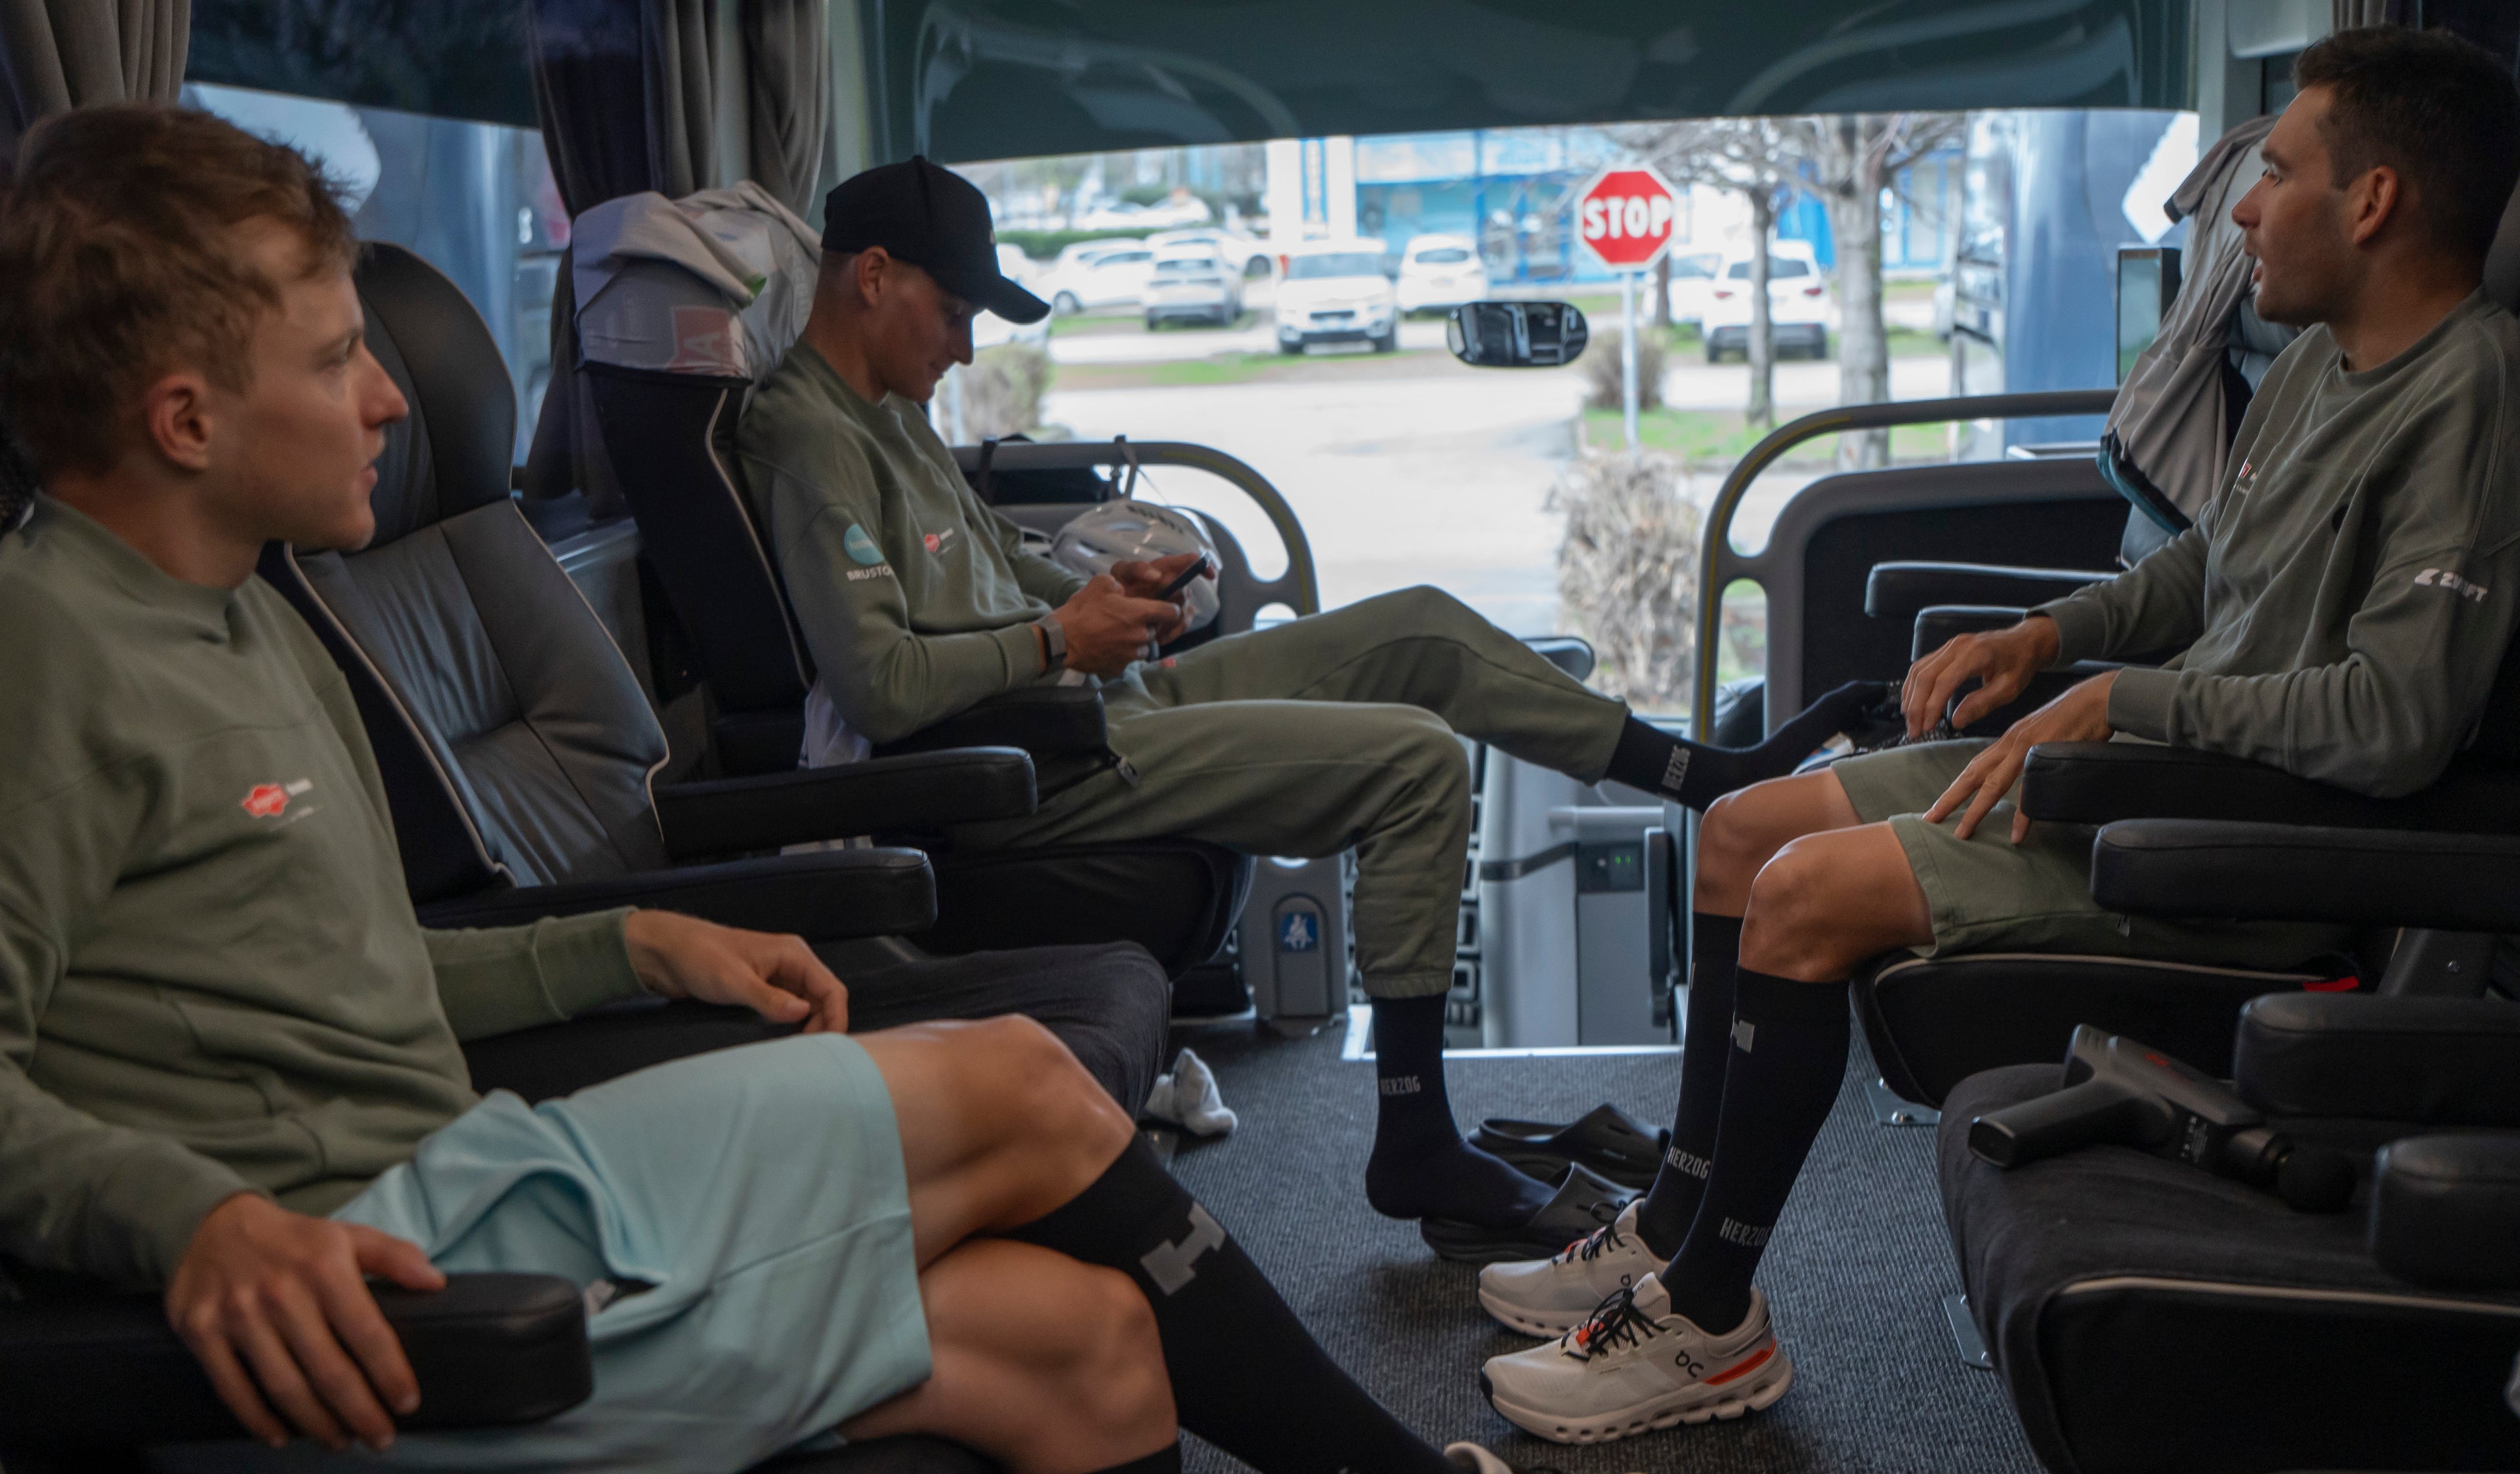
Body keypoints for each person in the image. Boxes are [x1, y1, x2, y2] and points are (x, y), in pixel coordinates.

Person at [0, 106, 1683, 1474]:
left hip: (471, 1212)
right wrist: (195, 1223)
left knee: (1082, 1348)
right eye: (335, 360)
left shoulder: (247, 618)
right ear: (183, 418)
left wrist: (625, 937)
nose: (391, 396)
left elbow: (361, 982)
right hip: (378, 1353)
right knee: (1024, 1085)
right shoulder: (46, 655)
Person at [1475, 24, 2520, 1441]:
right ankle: (1670, 1226)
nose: (2245, 211)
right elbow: (2207, 570)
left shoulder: (2472, 394)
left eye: (2276, 173)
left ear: (2376, 200)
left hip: (2237, 843)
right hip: (2152, 775)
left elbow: (2397, 721)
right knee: (1739, 829)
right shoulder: (2317, 368)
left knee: (1801, 894)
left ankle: (1712, 1322)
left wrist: (2129, 701)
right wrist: (2050, 638)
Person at [735, 154, 1883, 1256]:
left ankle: (1702, 778)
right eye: (953, 313)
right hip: (1036, 760)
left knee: (1422, 628)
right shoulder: (807, 435)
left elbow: (996, 559)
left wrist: (1114, 593)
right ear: (872, 275)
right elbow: (883, 686)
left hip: (1091, 692)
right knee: (1418, 763)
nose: (966, 344)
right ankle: (1416, 1141)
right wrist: (1057, 639)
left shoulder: (892, 411)